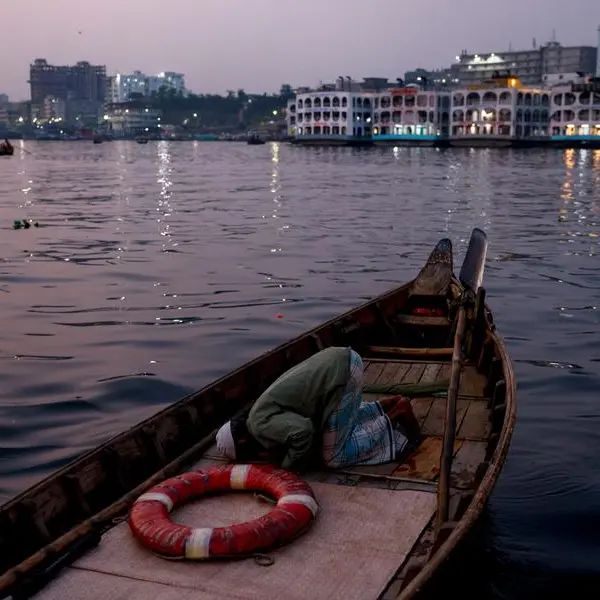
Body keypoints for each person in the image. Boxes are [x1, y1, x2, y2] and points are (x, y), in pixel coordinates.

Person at [214, 346, 421, 472]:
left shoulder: (259, 425)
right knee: (337, 428)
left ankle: (396, 414)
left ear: (243, 442)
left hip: (342, 376)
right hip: (343, 362)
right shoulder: (258, 413)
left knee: (333, 457)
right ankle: (387, 404)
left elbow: (303, 431)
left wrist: (288, 468)